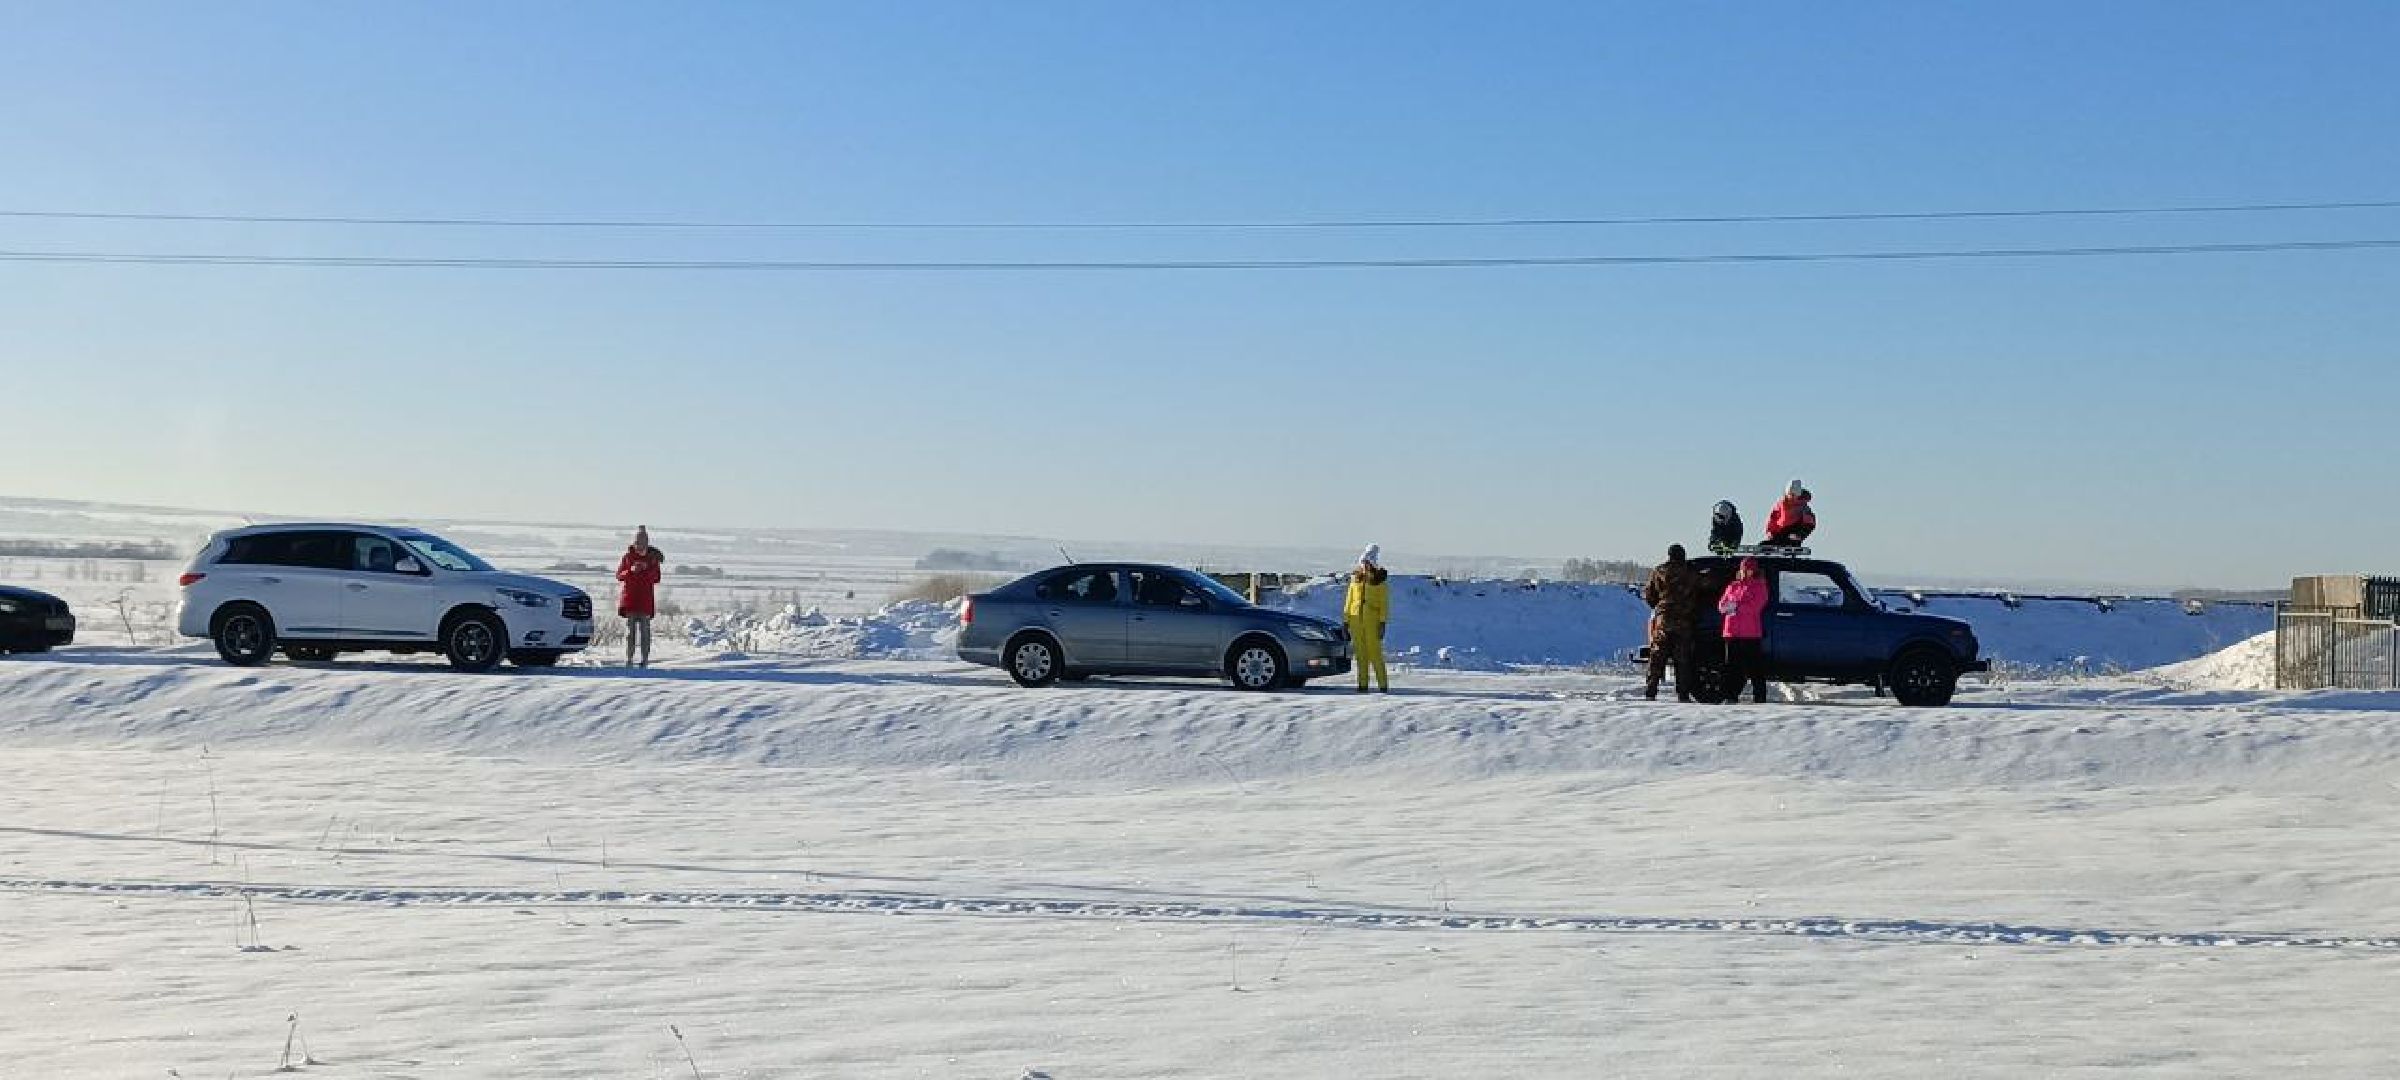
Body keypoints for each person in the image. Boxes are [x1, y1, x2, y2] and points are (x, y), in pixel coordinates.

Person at [1641, 543, 1702, 701]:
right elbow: (1705, 586)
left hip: (1664, 620)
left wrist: (1660, 606)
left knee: (1657, 658)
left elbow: (1649, 595)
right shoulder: (1690, 572)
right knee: (1682, 660)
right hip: (1684, 621)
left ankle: (1650, 691)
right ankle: (1682, 694)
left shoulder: (1659, 571)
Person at [1717, 556, 1771, 703]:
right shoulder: (1733, 586)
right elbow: (1722, 603)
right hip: (1731, 631)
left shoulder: (1760, 586)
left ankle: (1759, 697)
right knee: (1731, 666)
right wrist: (1726, 607)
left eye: (1748, 569)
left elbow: (1755, 606)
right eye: (1743, 569)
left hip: (1750, 633)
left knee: (1754, 667)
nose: (1745, 572)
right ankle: (1730, 696)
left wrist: (1737, 606)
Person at [1344, 544, 1391, 693]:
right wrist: (1346, 621)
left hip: (1372, 620)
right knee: (1360, 654)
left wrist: (1382, 622)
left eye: (1368, 562)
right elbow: (1349, 601)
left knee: (1375, 653)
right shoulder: (1355, 580)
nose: (1365, 565)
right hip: (1356, 620)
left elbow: (1384, 604)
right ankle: (1362, 685)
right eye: (1363, 562)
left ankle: (1383, 685)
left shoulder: (1379, 582)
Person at [616, 526, 664, 667]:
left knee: (645, 633)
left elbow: (656, 578)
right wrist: (630, 571)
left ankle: (644, 660)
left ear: (647, 543)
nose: (639, 546)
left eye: (642, 543)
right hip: (630, 600)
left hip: (645, 601)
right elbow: (619, 575)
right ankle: (629, 659)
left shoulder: (653, 559)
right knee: (630, 633)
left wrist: (644, 570)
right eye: (637, 543)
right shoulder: (627, 557)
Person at [1763, 480, 1816, 549]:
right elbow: (1773, 518)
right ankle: (1763, 552)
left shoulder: (1803, 506)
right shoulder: (1781, 504)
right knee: (1765, 544)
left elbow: (1810, 522)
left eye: (1794, 495)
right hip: (1781, 530)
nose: (1792, 497)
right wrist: (1770, 531)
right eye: (1790, 495)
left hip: (1794, 529)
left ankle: (1793, 541)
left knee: (1792, 539)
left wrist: (1800, 534)